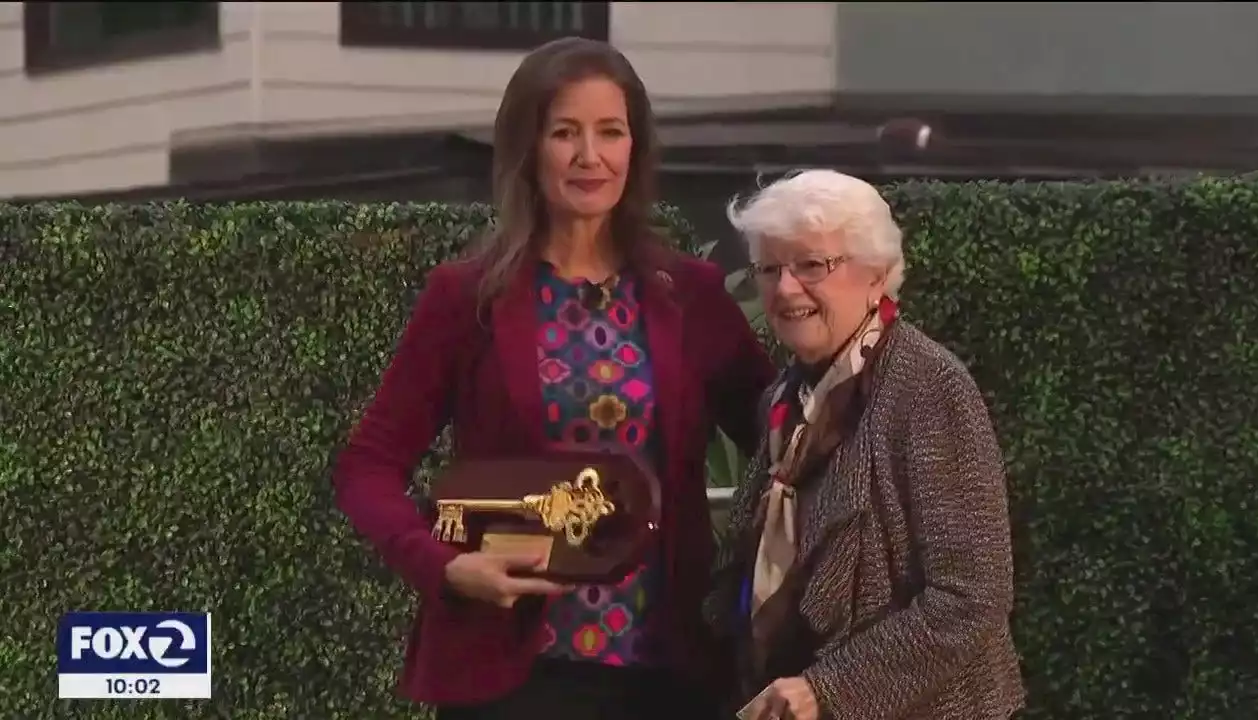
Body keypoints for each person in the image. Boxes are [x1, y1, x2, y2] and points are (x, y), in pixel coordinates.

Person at [332, 37, 776, 720]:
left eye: (610, 132)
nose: (589, 156)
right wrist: (443, 565)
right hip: (515, 676)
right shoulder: (468, 298)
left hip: (669, 674)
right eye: (564, 132)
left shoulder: (689, 294)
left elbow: (784, 437)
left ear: (636, 148)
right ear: (527, 148)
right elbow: (367, 465)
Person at [706, 169, 1026, 720]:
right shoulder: (788, 394)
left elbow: (971, 597)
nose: (785, 288)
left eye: (812, 265)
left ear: (876, 274)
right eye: (770, 268)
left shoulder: (927, 386)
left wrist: (828, 690)